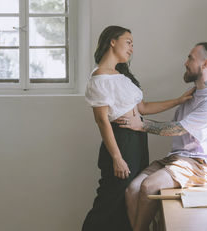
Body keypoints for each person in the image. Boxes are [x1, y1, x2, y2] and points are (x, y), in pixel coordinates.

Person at [82, 26, 195, 231]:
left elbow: (143, 108)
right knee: (109, 202)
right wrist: (117, 158)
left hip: (136, 142)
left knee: (128, 201)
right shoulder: (99, 78)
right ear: (112, 42)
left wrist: (178, 100)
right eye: (128, 42)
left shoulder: (121, 76)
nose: (132, 48)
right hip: (121, 143)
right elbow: (102, 121)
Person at [116, 42, 207, 231]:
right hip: (177, 159)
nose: (185, 63)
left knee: (148, 186)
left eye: (190, 58)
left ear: (205, 64)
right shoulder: (193, 96)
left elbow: (177, 129)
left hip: (201, 165)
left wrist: (141, 125)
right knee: (132, 190)